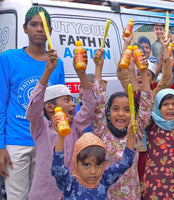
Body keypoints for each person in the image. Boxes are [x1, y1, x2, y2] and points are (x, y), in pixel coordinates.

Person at [0, 6, 65, 200]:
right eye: (33, 24)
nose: (38, 29)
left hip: (46, 142)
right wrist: (1, 146)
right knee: (17, 197)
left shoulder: (57, 64)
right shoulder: (8, 59)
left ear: (50, 32)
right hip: (16, 141)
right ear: (25, 28)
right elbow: (1, 104)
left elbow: (59, 109)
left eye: (43, 25)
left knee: (43, 196)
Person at [25, 49, 96, 199]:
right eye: (66, 100)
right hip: (44, 195)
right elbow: (34, 107)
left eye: (72, 99)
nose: (72, 104)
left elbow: (89, 107)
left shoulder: (75, 127)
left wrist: (81, 74)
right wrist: (47, 71)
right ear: (50, 107)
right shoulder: (41, 127)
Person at [93, 48, 152, 199]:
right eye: (115, 109)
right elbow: (98, 100)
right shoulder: (101, 130)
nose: (120, 114)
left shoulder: (135, 131)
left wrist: (143, 72)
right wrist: (98, 67)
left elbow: (146, 107)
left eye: (127, 110)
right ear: (108, 112)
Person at [51, 125, 135, 199]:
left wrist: (130, 137)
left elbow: (125, 162)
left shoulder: (104, 180)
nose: (93, 171)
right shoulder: (70, 185)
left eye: (98, 164)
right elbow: (58, 169)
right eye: (86, 165)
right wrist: (61, 136)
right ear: (76, 163)